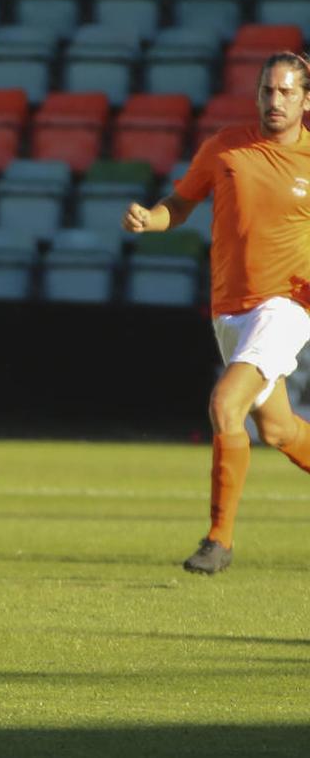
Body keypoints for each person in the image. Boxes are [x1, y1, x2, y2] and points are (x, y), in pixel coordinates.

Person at [122, 52, 310, 575]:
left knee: (226, 405)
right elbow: (181, 203)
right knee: (278, 430)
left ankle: (218, 541)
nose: (275, 100)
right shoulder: (225, 146)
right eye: (268, 90)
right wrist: (150, 219)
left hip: (286, 306)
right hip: (229, 311)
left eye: (287, 92)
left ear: (306, 100)